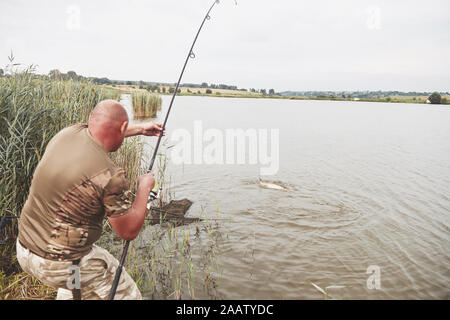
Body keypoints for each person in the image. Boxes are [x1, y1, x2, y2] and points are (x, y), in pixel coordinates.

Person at [16, 99, 163, 300]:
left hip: (25, 251)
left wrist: (139, 129)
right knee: (128, 294)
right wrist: (144, 189)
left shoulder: (68, 134)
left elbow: (103, 130)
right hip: (62, 265)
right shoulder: (109, 176)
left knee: (77, 282)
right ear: (122, 127)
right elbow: (128, 231)